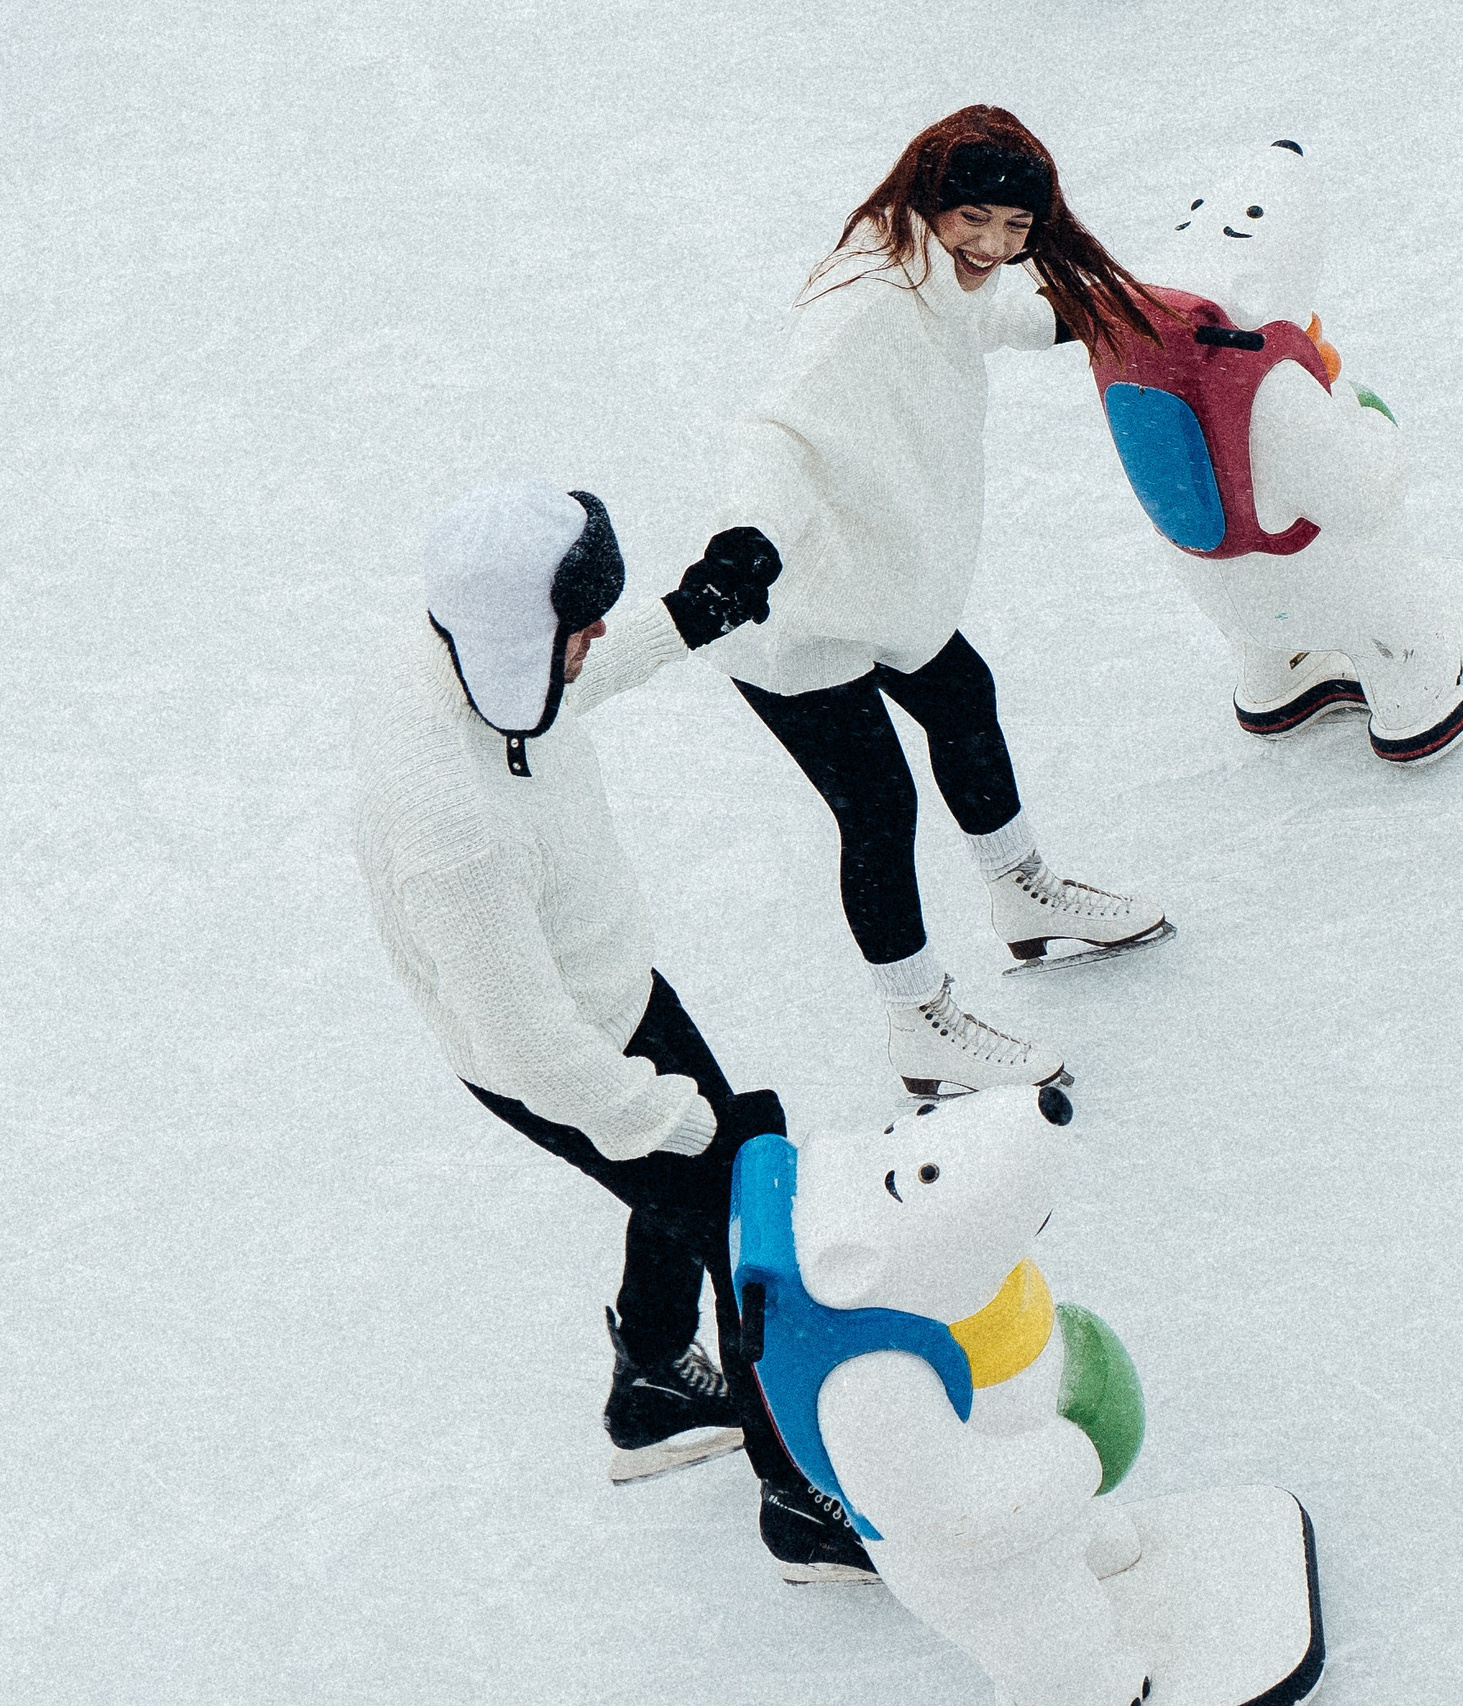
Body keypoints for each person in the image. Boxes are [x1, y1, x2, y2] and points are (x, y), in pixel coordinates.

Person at [351, 481, 875, 1582]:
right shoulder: (450, 824)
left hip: (608, 985)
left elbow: (560, 689)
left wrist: (691, 615)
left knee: (694, 1191)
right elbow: (530, 1051)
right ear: (512, 638)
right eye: (577, 622)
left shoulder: (476, 669)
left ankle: (648, 1378)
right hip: (557, 1053)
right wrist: (681, 1124)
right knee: (744, 1224)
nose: (591, 637)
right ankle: (797, 1499)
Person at [709, 105, 1172, 1101]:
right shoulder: (865, 301)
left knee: (962, 694)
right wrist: (745, 541)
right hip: (790, 607)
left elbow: (986, 311)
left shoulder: (930, 268)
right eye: (977, 221)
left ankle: (1020, 890)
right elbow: (775, 429)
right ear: (931, 201)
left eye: (1016, 229)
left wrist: (1082, 313)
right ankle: (921, 1023)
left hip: (874, 583)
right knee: (878, 807)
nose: (995, 247)